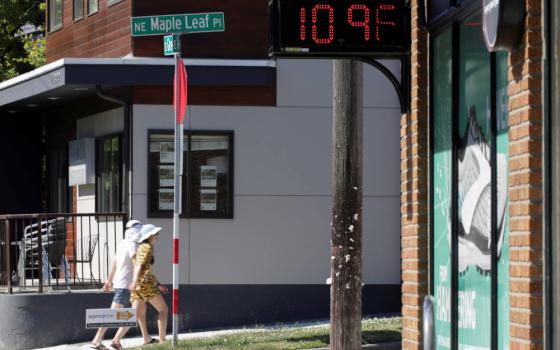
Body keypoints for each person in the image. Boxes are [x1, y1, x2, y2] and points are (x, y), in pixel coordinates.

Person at [90, 220, 142, 350]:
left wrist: (109, 281)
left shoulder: (122, 243)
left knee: (133, 314)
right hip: (126, 285)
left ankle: (116, 340)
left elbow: (114, 263)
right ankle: (97, 340)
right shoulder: (133, 245)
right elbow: (136, 262)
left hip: (121, 283)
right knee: (113, 314)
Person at [129, 224, 169, 345]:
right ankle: (162, 339)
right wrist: (135, 281)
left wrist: (158, 284)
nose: (158, 236)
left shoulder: (142, 247)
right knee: (163, 309)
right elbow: (139, 265)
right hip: (144, 284)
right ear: (150, 235)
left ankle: (144, 338)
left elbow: (144, 269)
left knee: (137, 313)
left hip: (140, 285)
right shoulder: (147, 247)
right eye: (156, 234)